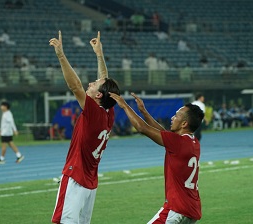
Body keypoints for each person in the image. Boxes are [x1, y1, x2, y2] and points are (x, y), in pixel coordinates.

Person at [49, 31, 120, 224]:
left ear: (98, 96)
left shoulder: (94, 113)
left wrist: (61, 55)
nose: (91, 83)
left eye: (95, 84)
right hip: (90, 182)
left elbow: (75, 87)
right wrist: (99, 54)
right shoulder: (108, 113)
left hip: (76, 175)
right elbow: (105, 81)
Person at [109, 92, 203, 223]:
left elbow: (142, 128)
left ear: (184, 124)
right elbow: (161, 132)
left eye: (176, 116)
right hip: (191, 210)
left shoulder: (177, 142)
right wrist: (144, 112)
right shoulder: (193, 142)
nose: (172, 118)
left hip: (176, 209)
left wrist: (124, 106)